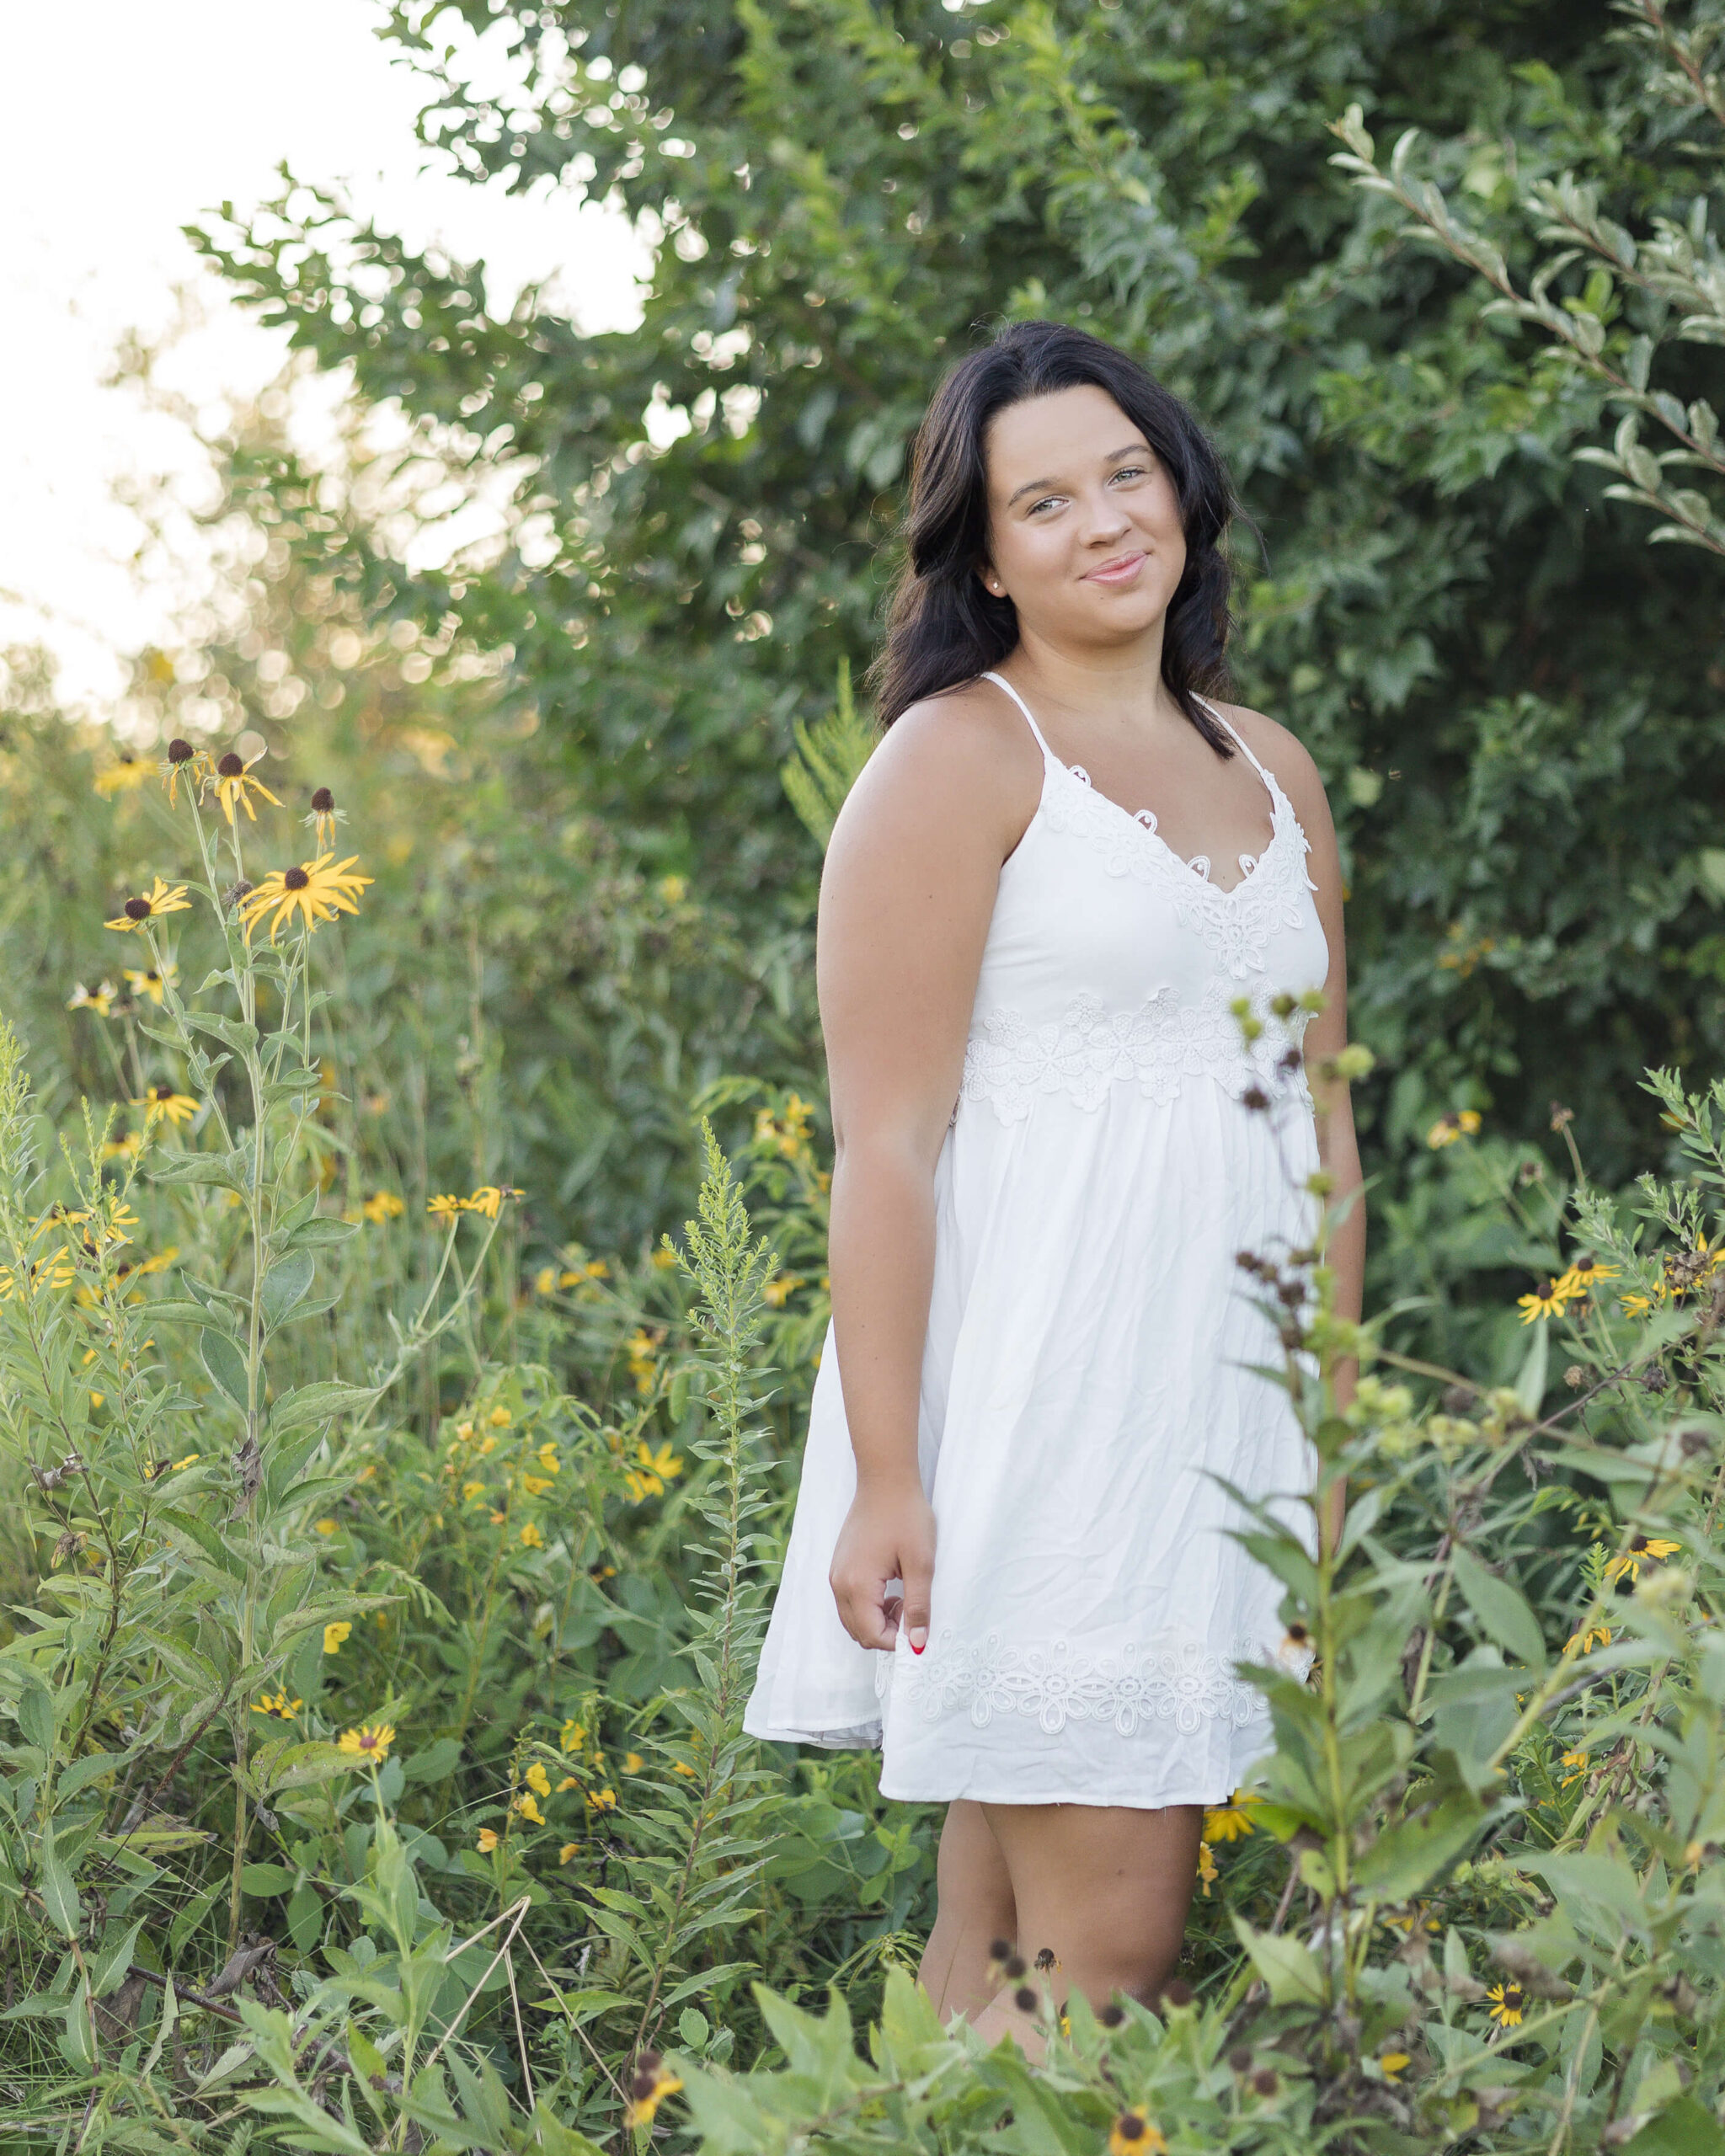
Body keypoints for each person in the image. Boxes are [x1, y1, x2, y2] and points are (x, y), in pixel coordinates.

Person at [741, 318, 1364, 2057]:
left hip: (1226, 1422)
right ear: (985, 554)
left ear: (1179, 485)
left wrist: (1332, 1434)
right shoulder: (956, 759)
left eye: (1124, 470)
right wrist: (884, 1473)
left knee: (1002, 1947)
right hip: (1050, 1422)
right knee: (1112, 1945)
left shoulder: (1272, 765)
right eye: (1042, 498)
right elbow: (884, 1144)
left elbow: (1322, 1122)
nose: (1101, 518)